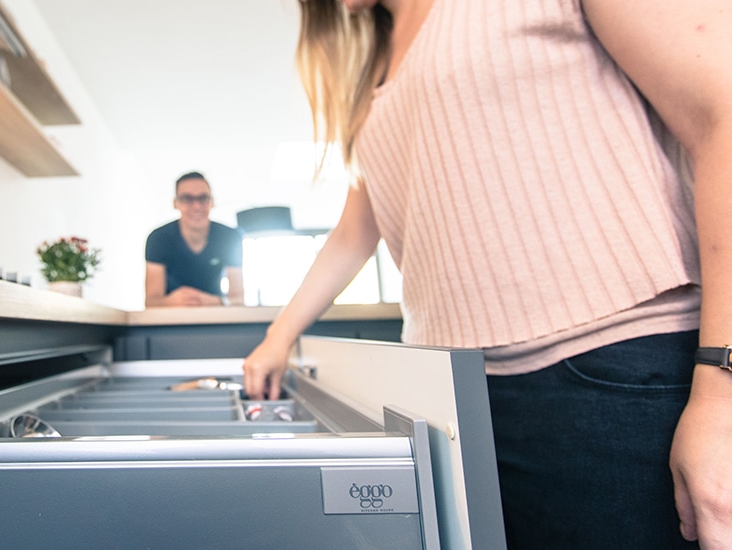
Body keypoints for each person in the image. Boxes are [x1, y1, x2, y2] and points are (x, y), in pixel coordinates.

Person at [243, 1, 732, 548]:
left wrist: (723, 390)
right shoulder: (375, 61)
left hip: (608, 379)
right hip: (456, 400)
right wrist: (277, 337)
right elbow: (356, 230)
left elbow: (722, 111)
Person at [145, 171, 244, 307]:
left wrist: (214, 301)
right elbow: (150, 302)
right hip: (170, 318)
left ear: (212, 202)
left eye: (203, 198)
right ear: (175, 203)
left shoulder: (231, 237)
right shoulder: (158, 239)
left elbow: (239, 299)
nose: (196, 206)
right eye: (187, 199)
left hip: (216, 315)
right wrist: (169, 302)